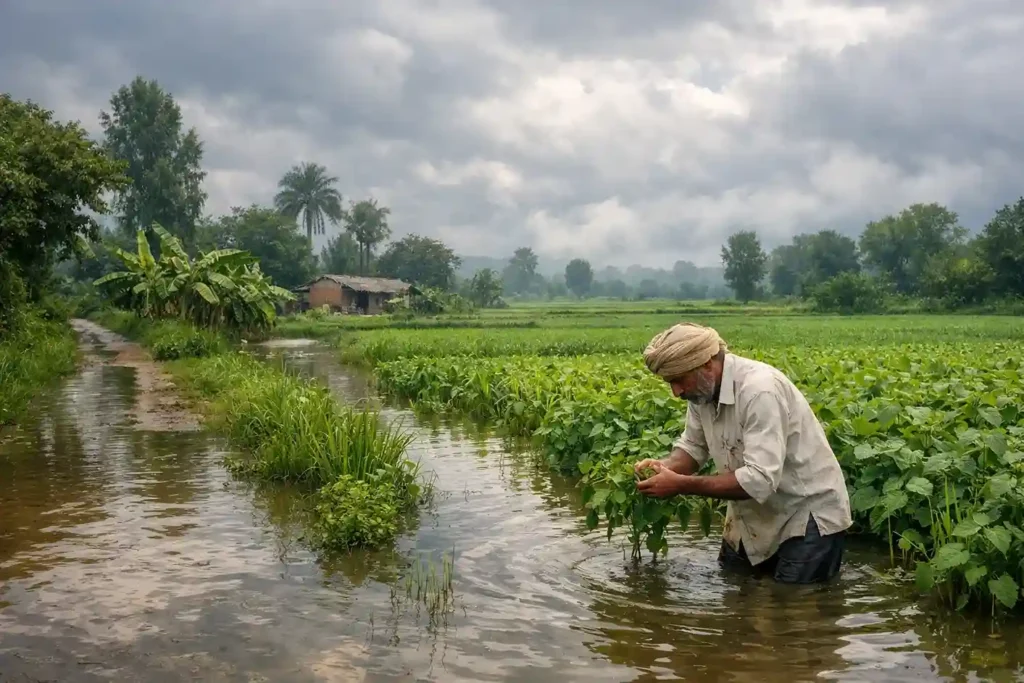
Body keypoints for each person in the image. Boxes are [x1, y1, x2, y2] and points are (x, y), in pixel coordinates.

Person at [633, 322, 852, 584]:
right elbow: (692, 448)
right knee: (736, 592)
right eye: (671, 382)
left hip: (805, 515)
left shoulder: (759, 391)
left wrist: (680, 484)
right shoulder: (701, 393)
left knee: (795, 608)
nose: (676, 391)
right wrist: (664, 469)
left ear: (706, 364)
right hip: (754, 513)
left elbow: (759, 478)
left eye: (679, 380)